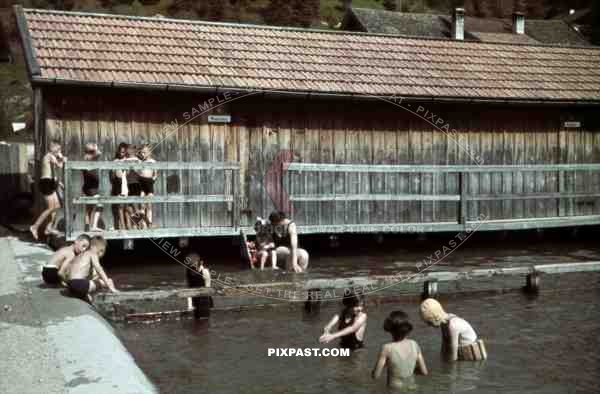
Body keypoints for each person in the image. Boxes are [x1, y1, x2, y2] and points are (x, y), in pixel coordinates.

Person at [372, 311, 428, 390]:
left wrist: (373, 372)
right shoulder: (415, 344)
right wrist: (410, 370)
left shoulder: (387, 348)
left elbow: (376, 376)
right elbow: (424, 372)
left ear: (390, 329)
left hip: (395, 390)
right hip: (411, 387)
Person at [419, 298, 487, 362]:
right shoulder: (445, 321)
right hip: (462, 352)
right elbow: (444, 346)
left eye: (429, 322)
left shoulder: (452, 326)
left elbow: (453, 357)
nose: (429, 325)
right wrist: (442, 359)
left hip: (472, 356)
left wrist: (447, 371)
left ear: (436, 317)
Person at [59, 235, 118, 301]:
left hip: (70, 286)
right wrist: (110, 286)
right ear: (100, 249)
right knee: (108, 281)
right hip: (79, 285)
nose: (101, 254)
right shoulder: (92, 253)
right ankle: (114, 298)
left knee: (92, 280)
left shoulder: (80, 255)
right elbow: (99, 269)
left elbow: (68, 271)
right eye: (102, 251)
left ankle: (87, 296)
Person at [30, 141, 67, 240]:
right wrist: (62, 158)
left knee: (57, 206)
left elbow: (52, 173)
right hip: (45, 183)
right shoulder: (49, 156)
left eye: (60, 149)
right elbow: (59, 166)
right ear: (53, 149)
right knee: (51, 208)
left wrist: (59, 184)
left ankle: (49, 227)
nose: (60, 151)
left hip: (50, 182)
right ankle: (35, 227)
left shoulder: (52, 157)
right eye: (58, 149)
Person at [82, 143, 103, 232]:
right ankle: (93, 226)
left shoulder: (91, 157)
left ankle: (88, 227)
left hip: (92, 186)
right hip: (90, 187)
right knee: (100, 204)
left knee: (89, 208)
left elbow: (98, 154)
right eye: (92, 150)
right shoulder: (87, 157)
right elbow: (99, 153)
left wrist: (94, 148)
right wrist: (95, 147)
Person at [184, 252, 212, 318]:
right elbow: (189, 289)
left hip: (205, 299)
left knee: (204, 321)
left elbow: (207, 288)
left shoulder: (205, 271)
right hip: (195, 299)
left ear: (200, 263)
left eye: (195, 262)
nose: (193, 264)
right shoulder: (188, 271)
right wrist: (190, 305)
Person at [137, 145, 158, 228]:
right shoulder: (140, 162)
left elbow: (155, 173)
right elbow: (138, 172)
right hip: (142, 183)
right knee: (142, 205)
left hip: (149, 183)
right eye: (142, 152)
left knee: (149, 205)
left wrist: (153, 179)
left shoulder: (153, 161)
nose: (143, 154)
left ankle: (149, 222)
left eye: (145, 152)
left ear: (149, 152)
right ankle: (143, 224)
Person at [110, 142, 128, 230]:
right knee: (120, 207)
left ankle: (130, 225)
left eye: (124, 152)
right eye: (121, 152)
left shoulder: (129, 160)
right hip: (118, 185)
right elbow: (114, 175)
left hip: (127, 185)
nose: (122, 153)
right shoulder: (115, 161)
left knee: (128, 207)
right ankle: (121, 226)